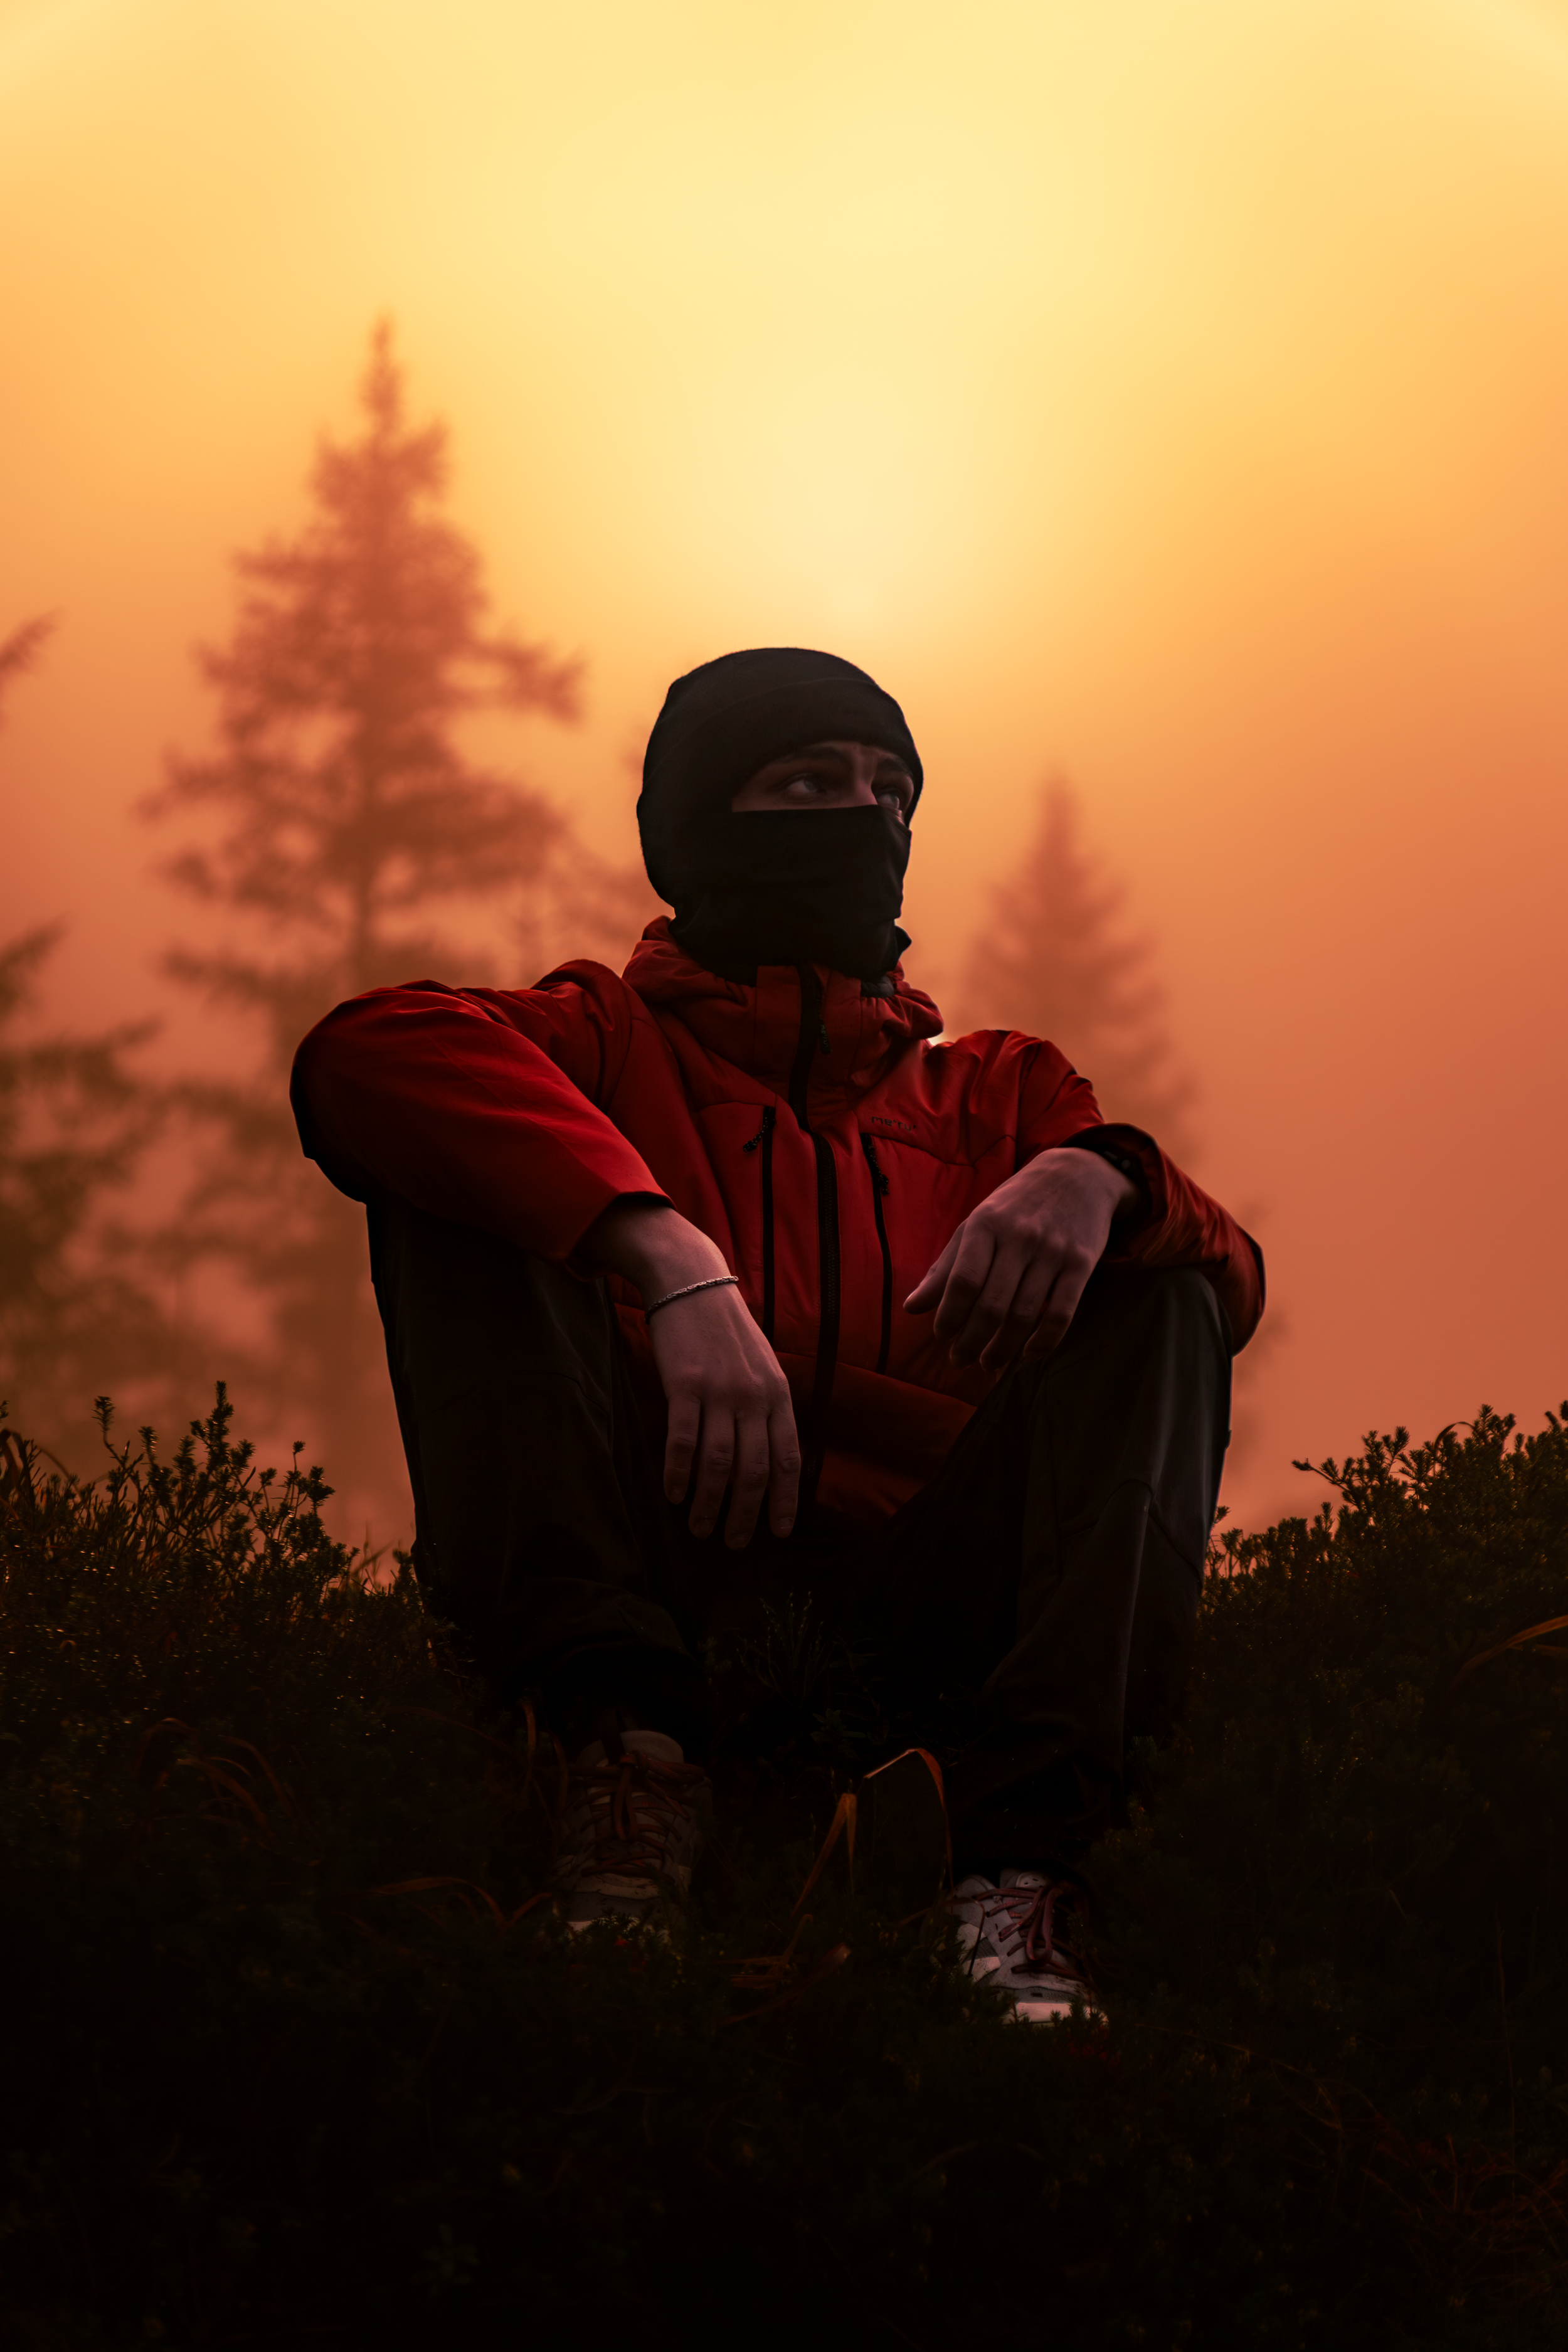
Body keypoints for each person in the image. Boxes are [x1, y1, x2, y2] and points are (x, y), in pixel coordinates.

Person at [291, 647, 1263, 2020]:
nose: (864, 819)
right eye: (809, 782)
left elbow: (1234, 1279)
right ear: (697, 827)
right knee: (454, 1191)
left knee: (1159, 1290)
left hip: (929, 1596)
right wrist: (657, 1248)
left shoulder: (999, 1096)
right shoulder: (604, 1040)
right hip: (653, 1560)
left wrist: (1100, 1173)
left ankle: (1014, 1875)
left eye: (892, 792)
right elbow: (362, 1057)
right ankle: (623, 1774)